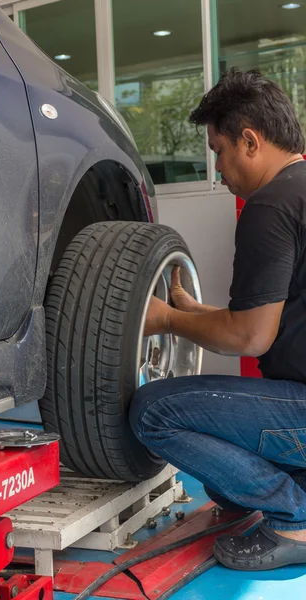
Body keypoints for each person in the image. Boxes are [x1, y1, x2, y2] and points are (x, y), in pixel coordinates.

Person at [129, 68, 306, 571]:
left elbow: (250, 336)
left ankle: (293, 516)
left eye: (219, 152)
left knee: (154, 411)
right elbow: (281, 316)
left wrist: (163, 319)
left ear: (249, 141)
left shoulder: (271, 205)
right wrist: (199, 313)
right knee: (220, 483)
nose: (219, 171)